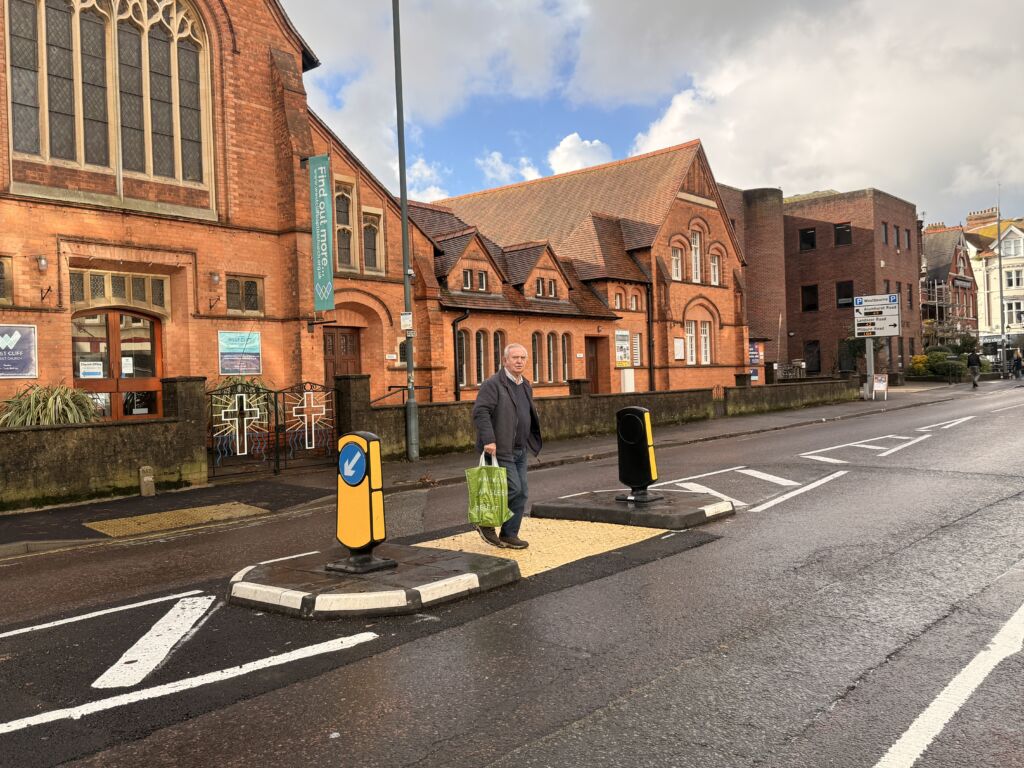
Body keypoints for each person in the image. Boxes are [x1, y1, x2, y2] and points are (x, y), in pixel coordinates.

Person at [471, 343, 542, 549]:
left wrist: (532, 437)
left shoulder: (525, 384)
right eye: (515, 358)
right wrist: (489, 439)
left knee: (522, 492)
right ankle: (485, 521)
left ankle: (509, 534)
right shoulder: (493, 384)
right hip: (500, 449)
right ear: (505, 361)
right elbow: (480, 412)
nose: (519, 361)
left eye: (523, 358)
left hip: (520, 449)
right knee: (513, 488)